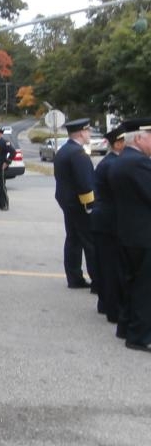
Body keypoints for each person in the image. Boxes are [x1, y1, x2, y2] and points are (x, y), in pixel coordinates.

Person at [107, 117, 151, 353]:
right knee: (144, 288)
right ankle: (139, 335)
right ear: (140, 138)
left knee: (132, 283)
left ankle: (125, 325)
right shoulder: (139, 163)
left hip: (129, 231)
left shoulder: (124, 160)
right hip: (143, 235)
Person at [53, 118, 97, 289]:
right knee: (90, 243)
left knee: (73, 240)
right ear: (80, 133)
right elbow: (85, 184)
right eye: (88, 131)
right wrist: (90, 207)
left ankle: (74, 277)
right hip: (80, 205)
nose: (89, 134)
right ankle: (98, 281)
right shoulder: (78, 154)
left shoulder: (64, 150)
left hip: (68, 203)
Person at [91, 125, 125, 323]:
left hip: (103, 219)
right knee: (111, 265)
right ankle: (112, 307)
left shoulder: (110, 162)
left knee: (106, 264)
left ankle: (105, 302)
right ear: (118, 143)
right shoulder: (112, 164)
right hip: (108, 221)